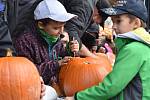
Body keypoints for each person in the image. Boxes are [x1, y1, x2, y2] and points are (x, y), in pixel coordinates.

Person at [65, 0, 150, 99]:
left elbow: (111, 87)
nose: (113, 26)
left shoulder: (133, 49)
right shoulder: (140, 46)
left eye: (118, 21)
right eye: (113, 21)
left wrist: (77, 97)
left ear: (136, 23)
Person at [14, 0, 79, 86]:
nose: (61, 31)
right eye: (56, 28)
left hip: (55, 87)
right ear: (41, 25)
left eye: (63, 26)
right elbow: (27, 71)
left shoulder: (55, 39)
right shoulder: (25, 42)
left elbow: (63, 57)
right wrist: (56, 64)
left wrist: (71, 51)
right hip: (35, 88)